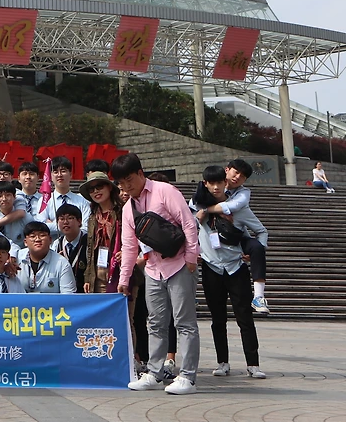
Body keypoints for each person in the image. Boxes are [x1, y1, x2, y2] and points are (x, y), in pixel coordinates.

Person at [114, 153, 201, 395]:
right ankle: (154, 373)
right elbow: (129, 246)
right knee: (156, 323)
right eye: (121, 184)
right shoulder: (128, 208)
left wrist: (192, 258)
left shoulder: (165, 191)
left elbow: (188, 223)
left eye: (129, 180)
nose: (126, 187)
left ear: (141, 174)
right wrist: (124, 279)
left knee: (184, 323)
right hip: (152, 269)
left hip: (180, 265)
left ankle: (188, 377)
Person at [193, 165, 266, 379]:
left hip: (235, 267)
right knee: (218, 319)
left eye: (220, 183)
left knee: (245, 317)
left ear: (227, 182)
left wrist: (252, 252)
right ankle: (222, 362)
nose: (216, 187)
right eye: (211, 183)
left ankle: (253, 365)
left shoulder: (238, 208)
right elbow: (186, 227)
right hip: (211, 267)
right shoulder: (197, 206)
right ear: (205, 183)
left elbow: (261, 231)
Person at [206, 159, 271, 314]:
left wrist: (208, 210)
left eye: (242, 176)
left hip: (236, 238)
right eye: (235, 172)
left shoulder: (243, 194)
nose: (237, 177)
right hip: (211, 241)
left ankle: (259, 297)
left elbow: (234, 206)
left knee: (256, 247)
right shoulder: (208, 188)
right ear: (227, 169)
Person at [79, 171, 122, 293]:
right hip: (98, 271)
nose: (96, 191)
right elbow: (90, 248)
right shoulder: (92, 217)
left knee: (124, 310)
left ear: (109, 187)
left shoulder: (122, 211)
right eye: (91, 189)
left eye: (99, 186)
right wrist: (88, 277)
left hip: (120, 269)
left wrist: (126, 252)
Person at [16, 222, 77, 294]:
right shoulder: (16, 259)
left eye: (42, 235)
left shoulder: (62, 263)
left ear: (50, 240)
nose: (37, 239)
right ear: (25, 242)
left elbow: (69, 296)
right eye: (32, 236)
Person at [37, 156, 91, 228]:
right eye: (55, 172)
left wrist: (52, 224)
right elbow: (41, 227)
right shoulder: (45, 201)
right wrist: (74, 226)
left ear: (70, 174)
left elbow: (85, 228)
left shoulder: (81, 201)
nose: (59, 175)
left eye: (63, 171)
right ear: (51, 176)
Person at [54, 204, 88, 286]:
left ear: (79, 221)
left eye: (70, 218)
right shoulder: (57, 244)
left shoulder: (89, 241)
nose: (65, 222)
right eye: (61, 219)